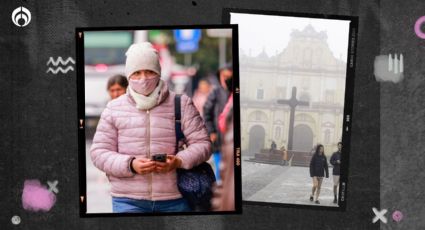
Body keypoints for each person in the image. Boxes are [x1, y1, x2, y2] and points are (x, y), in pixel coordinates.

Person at [90, 42, 211, 213]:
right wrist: (130, 164)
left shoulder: (181, 103)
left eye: (149, 71)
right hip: (127, 201)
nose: (143, 78)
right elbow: (99, 152)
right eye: (137, 73)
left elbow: (203, 145)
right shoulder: (113, 108)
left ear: (158, 72)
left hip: (175, 199)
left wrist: (179, 161)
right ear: (129, 75)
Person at [203, 63, 232, 181]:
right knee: (220, 170)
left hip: (230, 139)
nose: (225, 79)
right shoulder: (215, 92)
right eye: (223, 76)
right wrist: (211, 131)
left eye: (228, 77)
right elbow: (207, 112)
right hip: (218, 139)